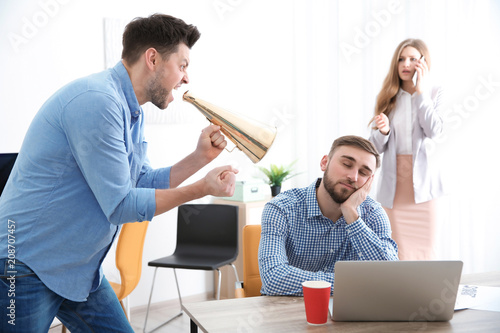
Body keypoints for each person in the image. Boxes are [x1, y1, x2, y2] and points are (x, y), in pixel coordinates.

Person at [0, 14, 238, 332]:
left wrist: (199, 158)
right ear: (152, 58)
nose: (186, 79)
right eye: (182, 65)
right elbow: (121, 205)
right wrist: (200, 188)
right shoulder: (98, 102)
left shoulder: (130, 111)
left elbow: (139, 181)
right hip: (27, 263)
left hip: (79, 268)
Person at [258, 135, 398, 296]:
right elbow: (273, 279)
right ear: (325, 163)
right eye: (346, 164)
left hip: (349, 314)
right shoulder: (281, 208)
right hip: (284, 311)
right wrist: (354, 284)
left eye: (364, 172)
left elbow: (391, 277)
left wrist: (352, 215)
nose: (353, 177)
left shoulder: (373, 213)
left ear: (370, 181)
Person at [369, 38, 445, 260]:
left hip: (424, 187)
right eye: (401, 59)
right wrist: (382, 132)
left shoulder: (434, 92)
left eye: (412, 59)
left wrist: (421, 92)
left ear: (422, 62)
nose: (405, 64)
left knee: (427, 252)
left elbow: (434, 131)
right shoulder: (388, 95)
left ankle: (425, 295)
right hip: (395, 186)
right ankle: (399, 295)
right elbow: (374, 148)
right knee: (396, 252)